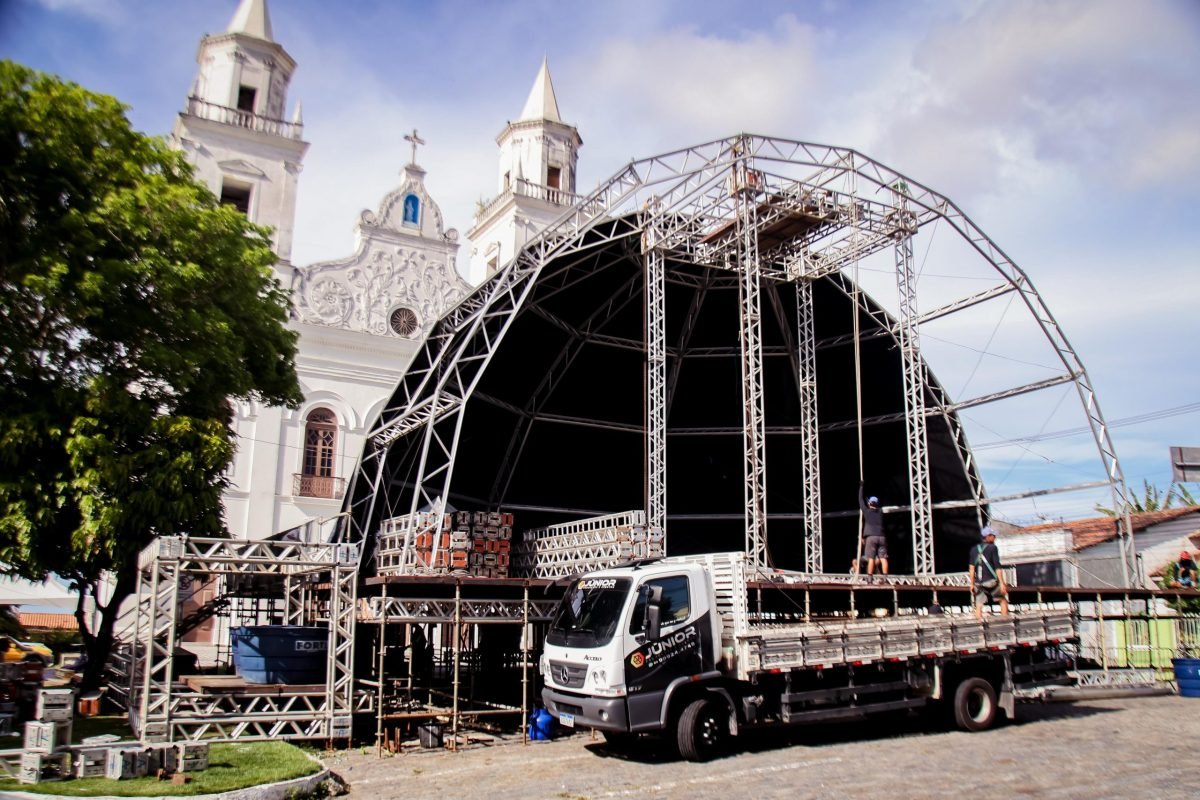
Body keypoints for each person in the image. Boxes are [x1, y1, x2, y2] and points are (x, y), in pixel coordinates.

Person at [969, 526, 1009, 619]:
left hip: (978, 583)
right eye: (993, 535)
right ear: (987, 536)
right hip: (991, 581)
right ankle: (1006, 622)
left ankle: (979, 624)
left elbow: (971, 568)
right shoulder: (993, 548)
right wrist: (1002, 583)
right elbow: (997, 567)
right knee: (1002, 601)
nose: (995, 537)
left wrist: (971, 584)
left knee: (979, 604)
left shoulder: (974, 549)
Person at [858, 483, 888, 576]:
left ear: (869, 503)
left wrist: (861, 487)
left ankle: (870, 577)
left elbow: (860, 500)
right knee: (883, 558)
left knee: (871, 558)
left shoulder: (867, 511)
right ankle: (885, 577)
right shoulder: (880, 512)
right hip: (881, 536)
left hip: (871, 537)